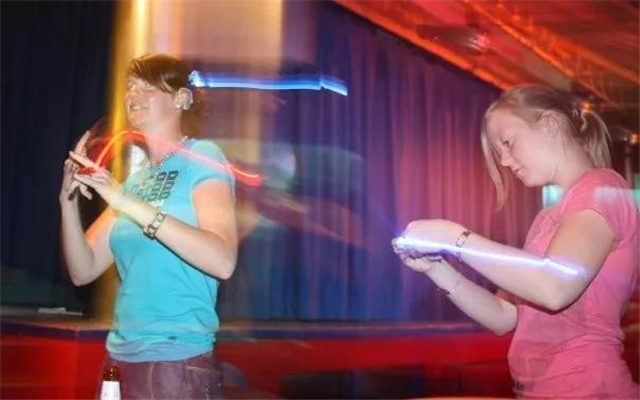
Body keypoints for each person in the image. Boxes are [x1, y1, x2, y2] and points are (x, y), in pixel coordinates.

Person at [392, 84, 639, 399]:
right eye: (500, 154)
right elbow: (503, 316)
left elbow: (554, 289)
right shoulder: (547, 219)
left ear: (550, 124)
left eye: (508, 143)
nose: (506, 162)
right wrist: (437, 269)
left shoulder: (601, 189)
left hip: (588, 389)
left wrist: (455, 237)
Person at [60, 53, 237, 399]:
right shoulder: (134, 183)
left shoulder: (203, 157)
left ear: (181, 98)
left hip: (176, 361)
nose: (133, 95)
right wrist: (67, 200)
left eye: (147, 86)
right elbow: (83, 269)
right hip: (119, 358)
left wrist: (125, 202)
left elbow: (222, 261)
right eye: (130, 87)